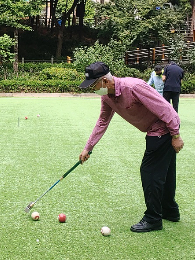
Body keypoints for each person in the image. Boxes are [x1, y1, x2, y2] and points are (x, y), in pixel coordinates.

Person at [78, 62, 184, 233]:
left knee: (150, 172)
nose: (92, 89)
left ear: (105, 81)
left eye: (93, 85)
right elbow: (102, 121)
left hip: (163, 129)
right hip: (155, 130)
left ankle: (153, 218)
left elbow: (166, 109)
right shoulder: (107, 97)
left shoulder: (133, 87)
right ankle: (170, 211)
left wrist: (176, 135)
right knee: (166, 172)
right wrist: (88, 147)